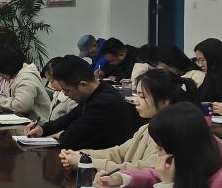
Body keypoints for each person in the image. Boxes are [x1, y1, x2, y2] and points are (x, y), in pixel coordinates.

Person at [60, 68, 195, 174]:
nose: (136, 101)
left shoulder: (172, 133)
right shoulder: (147, 127)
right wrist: (82, 155)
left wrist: (87, 162)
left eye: (142, 96)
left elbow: (143, 170)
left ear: (164, 101)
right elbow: (120, 152)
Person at [95, 103, 222, 188]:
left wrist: (167, 186)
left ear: (180, 147)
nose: (156, 150)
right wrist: (120, 178)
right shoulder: (190, 159)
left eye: (160, 147)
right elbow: (154, 175)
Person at [25, 57, 138, 150]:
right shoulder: (95, 93)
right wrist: (43, 129)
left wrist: (59, 135)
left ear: (82, 84)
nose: (66, 95)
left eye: (67, 90)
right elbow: (68, 119)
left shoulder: (105, 103)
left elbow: (71, 138)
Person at [0, 46, 50, 120]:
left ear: (7, 67)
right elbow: (6, 94)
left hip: (38, 124)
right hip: (25, 120)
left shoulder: (26, 79)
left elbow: (21, 105)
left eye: (0, 72)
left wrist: (0, 101)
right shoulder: (18, 75)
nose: (0, 75)